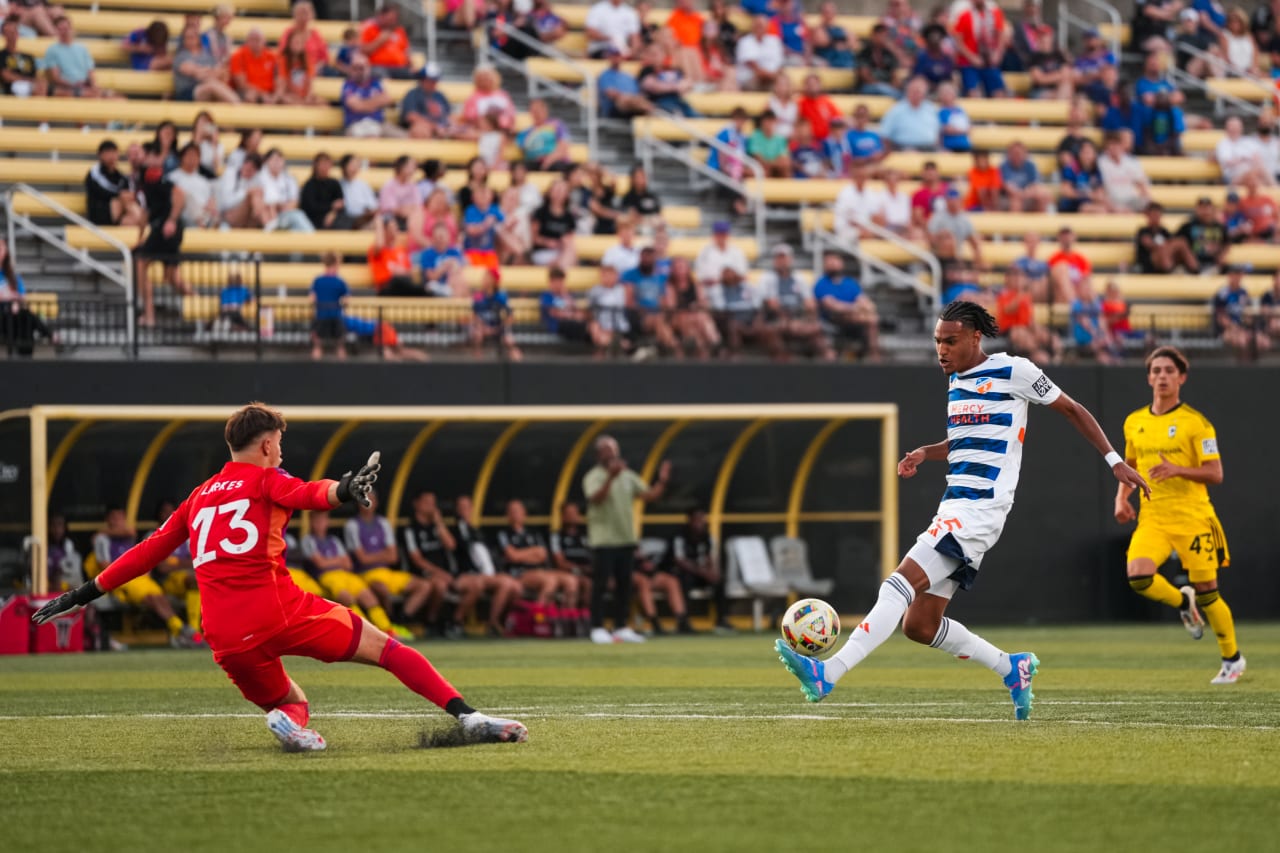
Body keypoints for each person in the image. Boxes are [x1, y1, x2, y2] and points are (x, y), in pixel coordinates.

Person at [35, 405, 526, 748]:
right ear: (267, 444)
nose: (282, 452)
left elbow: (146, 551)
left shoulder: (198, 496)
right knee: (387, 648)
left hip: (224, 637)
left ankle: (291, 728)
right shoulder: (269, 479)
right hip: (277, 611)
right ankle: (469, 717)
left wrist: (83, 593)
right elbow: (313, 493)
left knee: (291, 700)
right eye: (281, 444)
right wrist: (346, 488)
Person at [775, 302, 1150, 718]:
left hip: (980, 509)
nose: (942, 350)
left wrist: (1115, 461)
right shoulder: (955, 381)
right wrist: (925, 452)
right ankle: (1012, 666)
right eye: (937, 341)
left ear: (976, 338)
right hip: (955, 507)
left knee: (897, 584)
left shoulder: (1015, 371)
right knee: (919, 625)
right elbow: (967, 440)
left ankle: (830, 671)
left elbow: (1073, 410)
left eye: (950, 341)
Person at [1116, 347, 1244, 684]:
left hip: (1193, 517)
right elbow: (1129, 466)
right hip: (1153, 516)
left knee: (1208, 591)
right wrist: (1121, 498)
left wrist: (1177, 469)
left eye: (1169, 371)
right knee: (1138, 576)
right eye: (1156, 370)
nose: (1161, 376)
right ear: (1148, 377)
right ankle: (1181, 601)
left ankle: (1233, 658)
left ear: (1181, 378)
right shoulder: (1134, 421)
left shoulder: (1196, 423)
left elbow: (1215, 473)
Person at [584, 436, 670, 644]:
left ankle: (621, 626)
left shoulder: (628, 476)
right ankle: (597, 627)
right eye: (605, 449)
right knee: (601, 585)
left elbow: (649, 496)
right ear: (598, 454)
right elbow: (596, 498)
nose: (611, 453)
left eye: (613, 449)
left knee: (625, 586)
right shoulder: (593, 476)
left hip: (626, 538)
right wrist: (610, 478)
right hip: (603, 540)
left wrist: (662, 482)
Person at [87, 507, 200, 648]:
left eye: (121, 517)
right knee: (150, 598)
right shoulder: (102, 539)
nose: (119, 521)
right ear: (108, 520)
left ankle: (180, 630)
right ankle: (180, 629)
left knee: (159, 596)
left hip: (139, 577)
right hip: (122, 579)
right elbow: (105, 566)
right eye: (115, 518)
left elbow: (130, 533)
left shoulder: (127, 535)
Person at [300, 510, 409, 639]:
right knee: (347, 598)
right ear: (311, 522)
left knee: (369, 597)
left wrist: (332, 561)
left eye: (323, 520)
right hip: (327, 576)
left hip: (345, 574)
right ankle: (365, 630)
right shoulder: (308, 540)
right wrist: (338, 560)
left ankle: (387, 629)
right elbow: (320, 564)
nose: (320, 524)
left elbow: (349, 564)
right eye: (317, 521)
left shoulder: (334, 540)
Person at [343, 490, 435, 626]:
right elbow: (362, 559)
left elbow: (393, 557)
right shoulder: (352, 525)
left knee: (424, 585)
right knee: (382, 589)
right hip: (365, 574)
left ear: (377, 503)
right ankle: (387, 623)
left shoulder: (383, 523)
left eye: (371, 498)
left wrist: (374, 556)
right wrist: (382, 554)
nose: (368, 502)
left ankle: (401, 620)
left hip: (386, 572)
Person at [758, 243, 833, 361]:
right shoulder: (767, 279)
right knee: (775, 331)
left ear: (790, 259)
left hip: (798, 317)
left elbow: (810, 303)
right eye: (779, 258)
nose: (782, 261)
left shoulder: (799, 278)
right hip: (776, 319)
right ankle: (785, 362)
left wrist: (809, 319)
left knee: (820, 340)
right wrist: (790, 321)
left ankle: (828, 364)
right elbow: (772, 304)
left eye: (785, 258)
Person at [498, 499, 579, 606]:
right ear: (507, 515)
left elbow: (542, 555)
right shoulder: (504, 533)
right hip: (519, 573)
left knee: (571, 580)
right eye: (512, 511)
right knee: (550, 580)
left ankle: (566, 618)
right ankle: (538, 615)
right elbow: (513, 556)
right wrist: (533, 552)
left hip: (540, 571)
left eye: (518, 510)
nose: (516, 514)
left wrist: (521, 554)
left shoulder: (534, 533)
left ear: (524, 513)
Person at [812, 250, 880, 358]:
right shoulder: (821, 284)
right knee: (865, 317)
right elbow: (833, 306)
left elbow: (866, 303)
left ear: (841, 263)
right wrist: (857, 308)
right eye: (829, 261)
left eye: (835, 260)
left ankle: (874, 354)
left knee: (872, 319)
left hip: (855, 318)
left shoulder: (850, 283)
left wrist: (863, 307)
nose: (832, 263)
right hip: (833, 319)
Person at [45, 15, 115, 98]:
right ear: (57, 31)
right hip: (67, 88)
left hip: (83, 85)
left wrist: (93, 85)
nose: (65, 32)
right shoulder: (52, 50)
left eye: (66, 28)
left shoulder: (82, 48)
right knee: (90, 95)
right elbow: (55, 77)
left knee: (114, 97)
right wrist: (74, 85)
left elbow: (90, 71)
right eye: (61, 29)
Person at [949, 0, 1009, 97]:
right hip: (969, 63)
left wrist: (997, 54)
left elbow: (1001, 35)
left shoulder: (995, 13)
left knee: (999, 92)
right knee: (973, 93)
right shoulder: (965, 16)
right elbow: (958, 41)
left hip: (989, 61)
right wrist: (972, 57)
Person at [342, 53, 405, 138]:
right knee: (370, 136)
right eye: (355, 68)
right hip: (356, 123)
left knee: (406, 138)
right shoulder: (348, 85)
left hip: (379, 123)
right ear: (351, 69)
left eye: (361, 68)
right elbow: (357, 106)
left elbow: (387, 99)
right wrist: (375, 102)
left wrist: (364, 103)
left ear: (368, 68)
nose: (358, 71)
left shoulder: (375, 83)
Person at [85, 140, 143, 227]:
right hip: (99, 214)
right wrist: (120, 195)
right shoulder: (94, 173)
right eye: (108, 152)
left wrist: (125, 195)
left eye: (114, 152)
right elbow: (101, 192)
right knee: (121, 200)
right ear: (100, 155)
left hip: (119, 216)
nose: (111, 156)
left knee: (133, 218)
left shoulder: (121, 177)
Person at [471, 267, 522, 361]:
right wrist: (482, 327)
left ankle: (519, 365)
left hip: (498, 328)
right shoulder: (478, 296)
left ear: (494, 281)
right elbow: (475, 315)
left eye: (487, 277)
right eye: (484, 277)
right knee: (477, 335)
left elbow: (510, 316)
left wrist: (499, 328)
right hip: (482, 328)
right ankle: (478, 363)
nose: (484, 280)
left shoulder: (501, 296)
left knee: (509, 339)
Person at [1135, 201, 1198, 274]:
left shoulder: (1164, 231)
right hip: (1149, 263)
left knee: (1181, 243)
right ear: (1148, 216)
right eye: (1153, 214)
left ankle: (1194, 269)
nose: (1155, 217)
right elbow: (1149, 244)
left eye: (1157, 214)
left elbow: (1171, 244)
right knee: (1164, 248)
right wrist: (1165, 246)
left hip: (1166, 259)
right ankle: (1170, 270)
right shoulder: (1143, 231)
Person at [880, 77, 940, 151]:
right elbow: (885, 135)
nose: (916, 94)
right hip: (903, 147)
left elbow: (937, 132)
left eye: (919, 92)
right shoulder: (896, 110)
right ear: (907, 92)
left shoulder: (931, 108)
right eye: (913, 91)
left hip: (929, 147)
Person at [310, 252, 348, 361]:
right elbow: (346, 299)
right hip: (335, 314)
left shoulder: (318, 280)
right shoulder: (340, 281)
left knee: (318, 347)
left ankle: (317, 356)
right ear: (336, 264)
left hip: (322, 315)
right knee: (340, 347)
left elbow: (312, 298)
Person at [1176, 197, 1229, 273]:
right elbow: (1176, 242)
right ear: (1197, 209)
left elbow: (1227, 242)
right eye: (1202, 208)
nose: (1205, 211)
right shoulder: (1188, 226)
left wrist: (1222, 255)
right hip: (1191, 267)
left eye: (1207, 208)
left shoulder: (1220, 227)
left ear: (1212, 209)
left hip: (1213, 265)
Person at [401, 63, 453, 139]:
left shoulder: (440, 96)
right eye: (431, 80)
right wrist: (434, 126)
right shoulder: (413, 94)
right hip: (422, 129)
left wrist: (447, 127)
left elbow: (448, 116)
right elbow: (411, 116)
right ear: (422, 79)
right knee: (420, 130)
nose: (434, 83)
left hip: (441, 128)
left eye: (435, 80)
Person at [229, 28, 280, 104]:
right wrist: (262, 93)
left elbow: (280, 79)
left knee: (284, 98)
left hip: (269, 92)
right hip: (245, 92)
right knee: (251, 95)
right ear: (247, 41)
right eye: (252, 40)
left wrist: (275, 96)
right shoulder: (238, 56)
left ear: (264, 41)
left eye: (258, 39)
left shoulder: (272, 57)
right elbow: (241, 84)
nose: (255, 43)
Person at [360, 3, 413, 78]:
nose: (393, 22)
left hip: (399, 68)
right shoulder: (369, 28)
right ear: (381, 16)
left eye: (395, 19)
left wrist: (411, 66)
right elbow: (362, 51)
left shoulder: (399, 31)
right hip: (378, 67)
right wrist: (379, 41)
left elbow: (406, 51)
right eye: (390, 19)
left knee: (413, 75)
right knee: (379, 74)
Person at [1, 15, 47, 97]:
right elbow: (6, 76)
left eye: (13, 32)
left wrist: (37, 81)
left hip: (28, 84)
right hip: (14, 86)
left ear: (17, 34)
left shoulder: (28, 56)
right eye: (8, 32)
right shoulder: (2, 55)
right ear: (4, 35)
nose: (11, 35)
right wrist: (28, 80)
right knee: (31, 87)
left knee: (45, 85)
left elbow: (35, 75)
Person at [735, 14, 784, 90]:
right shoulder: (745, 42)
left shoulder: (775, 41)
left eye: (762, 26)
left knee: (784, 84)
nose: (760, 28)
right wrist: (768, 75)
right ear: (753, 27)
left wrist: (773, 75)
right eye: (758, 25)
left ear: (767, 27)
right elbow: (752, 65)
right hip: (752, 78)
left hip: (772, 77)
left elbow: (779, 64)